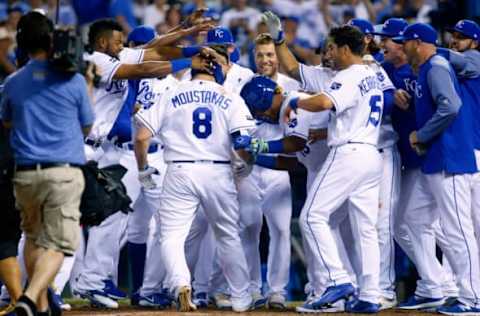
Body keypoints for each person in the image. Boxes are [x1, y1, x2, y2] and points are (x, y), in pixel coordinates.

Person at [134, 45, 255, 312]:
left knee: (172, 236)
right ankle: (241, 298)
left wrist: (142, 169)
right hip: (218, 171)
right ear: (219, 68)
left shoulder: (171, 92)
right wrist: (246, 165)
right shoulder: (230, 96)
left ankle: (179, 283)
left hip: (179, 169)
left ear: (195, 66)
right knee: (228, 236)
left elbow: (142, 136)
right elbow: (243, 143)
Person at [276, 24, 385, 313]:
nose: (329, 53)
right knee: (366, 230)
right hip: (370, 154)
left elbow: (324, 102)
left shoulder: (349, 75)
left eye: (333, 47)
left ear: (346, 50)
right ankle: (370, 295)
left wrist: (294, 99)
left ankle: (338, 279)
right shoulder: (371, 74)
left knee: (312, 216)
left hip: (348, 151)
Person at [0, 11, 94, 316]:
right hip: (63, 172)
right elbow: (87, 127)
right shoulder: (74, 79)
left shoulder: (13, 82)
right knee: (59, 245)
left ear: (22, 43)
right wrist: (88, 84)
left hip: (25, 175)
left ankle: (39, 307)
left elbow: (7, 122)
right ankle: (29, 299)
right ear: (51, 39)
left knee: (34, 238)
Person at [393, 23, 480, 314]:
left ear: (417, 43)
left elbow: (451, 106)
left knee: (459, 231)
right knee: (411, 218)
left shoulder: (438, 66)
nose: (401, 47)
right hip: (435, 162)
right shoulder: (427, 68)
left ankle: (473, 297)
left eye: (405, 42)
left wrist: (422, 135)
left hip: (451, 160)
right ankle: (437, 286)